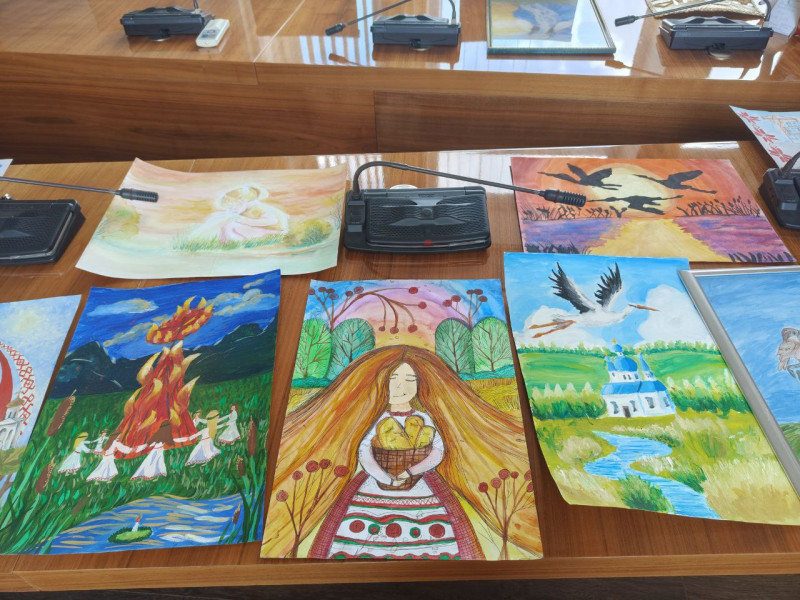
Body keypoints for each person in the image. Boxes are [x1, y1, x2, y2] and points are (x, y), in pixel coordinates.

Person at [261, 345, 542, 560]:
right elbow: (364, 452)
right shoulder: (377, 419)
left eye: (410, 380)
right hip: (374, 486)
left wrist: (411, 471)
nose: (401, 387)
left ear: (421, 384)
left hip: (422, 486)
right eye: (394, 378)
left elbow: (438, 451)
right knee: (360, 532)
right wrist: (383, 476)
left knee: (437, 532)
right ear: (382, 381)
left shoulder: (425, 419)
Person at [189, 185, 289, 244]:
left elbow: (273, 221)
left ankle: (234, 241)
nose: (233, 208)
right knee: (225, 222)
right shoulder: (243, 209)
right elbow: (232, 214)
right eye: (231, 206)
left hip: (267, 231)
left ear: (244, 201)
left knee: (233, 225)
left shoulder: (258, 209)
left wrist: (247, 221)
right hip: (252, 228)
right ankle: (222, 241)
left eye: (235, 205)